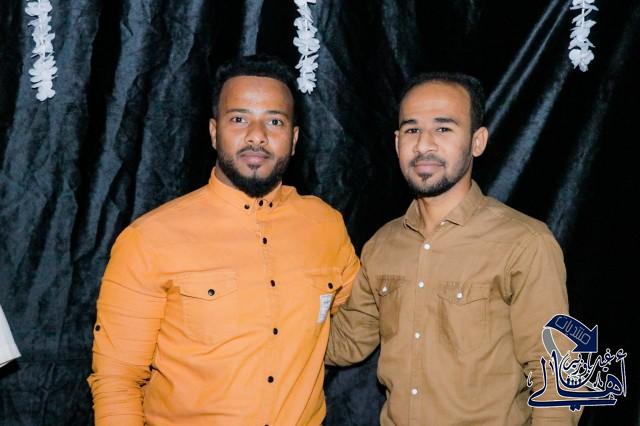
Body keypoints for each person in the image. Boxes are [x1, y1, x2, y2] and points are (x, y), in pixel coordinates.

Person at [88, 54, 359, 425]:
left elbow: (362, 318)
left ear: (294, 139)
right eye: (239, 119)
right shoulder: (149, 239)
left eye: (275, 121)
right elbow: (117, 380)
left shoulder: (326, 226)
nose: (257, 136)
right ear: (214, 132)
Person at [326, 72, 578, 425]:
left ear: (477, 141)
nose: (423, 144)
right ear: (397, 142)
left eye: (443, 128)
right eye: (412, 130)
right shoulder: (382, 245)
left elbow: (557, 377)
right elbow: (346, 341)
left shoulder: (524, 243)